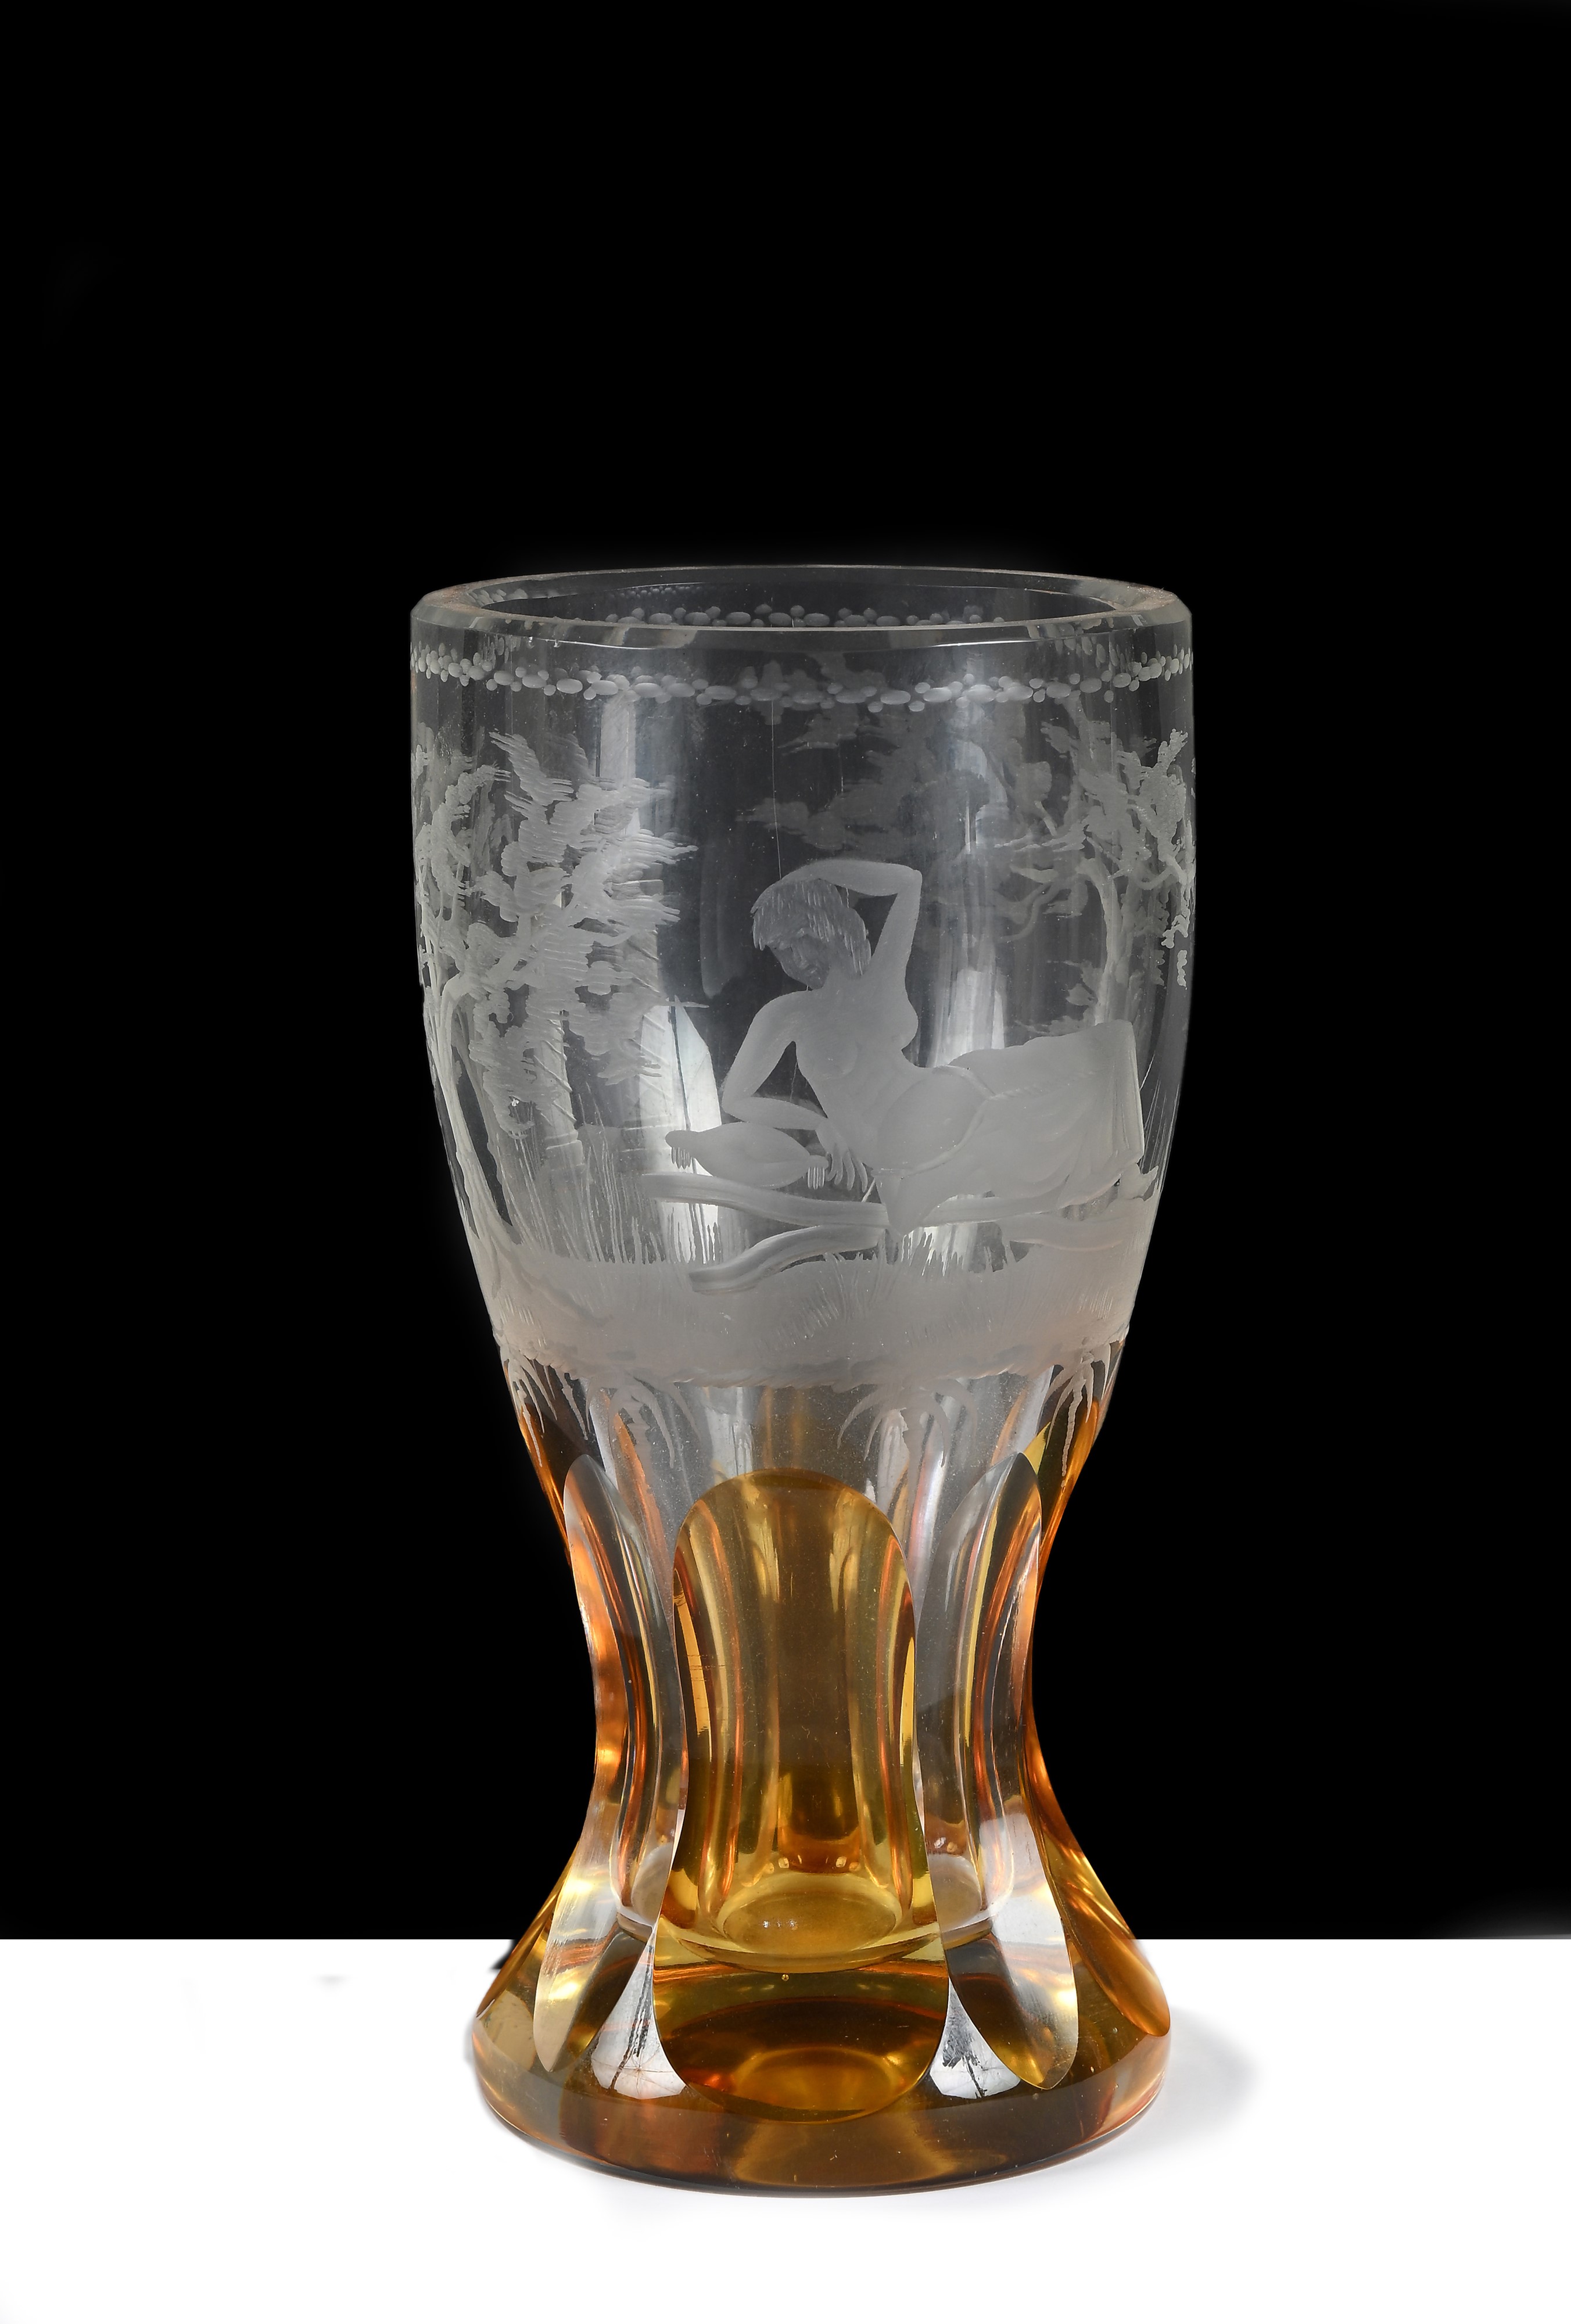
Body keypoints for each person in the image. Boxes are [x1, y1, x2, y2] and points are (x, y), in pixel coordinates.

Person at [719, 860, 1143, 1236]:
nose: (794, 959)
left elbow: (908, 882)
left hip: (929, 1109)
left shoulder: (876, 979)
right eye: (781, 951)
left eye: (799, 940)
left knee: (1067, 1062)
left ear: (825, 927)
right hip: (904, 1136)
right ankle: (991, 1159)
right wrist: (818, 1125)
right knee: (1046, 1079)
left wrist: (815, 873)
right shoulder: (789, 1013)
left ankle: (1115, 1163)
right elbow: (735, 1098)